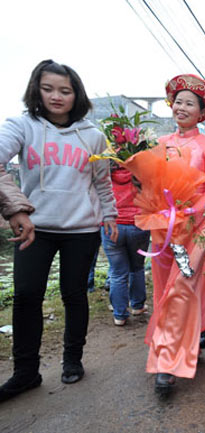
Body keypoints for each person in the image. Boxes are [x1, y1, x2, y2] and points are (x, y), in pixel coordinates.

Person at [0, 60, 118, 402]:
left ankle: (72, 360)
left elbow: (102, 182)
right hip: (35, 227)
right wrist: (16, 208)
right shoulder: (22, 126)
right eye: (48, 88)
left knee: (74, 294)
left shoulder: (93, 135)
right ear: (36, 90)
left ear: (76, 95)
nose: (56, 96)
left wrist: (109, 214)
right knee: (25, 296)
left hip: (81, 229)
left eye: (65, 91)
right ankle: (25, 372)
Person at [146, 74, 205, 396]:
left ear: (201, 111)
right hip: (163, 229)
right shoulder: (161, 144)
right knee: (164, 288)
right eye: (178, 101)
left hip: (195, 228)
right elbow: (150, 182)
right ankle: (184, 342)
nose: (181, 107)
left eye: (189, 103)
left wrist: (191, 211)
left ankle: (166, 364)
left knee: (182, 285)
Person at [102, 163, 151, 326]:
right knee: (136, 267)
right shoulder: (141, 169)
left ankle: (119, 315)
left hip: (112, 226)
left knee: (117, 272)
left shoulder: (105, 173)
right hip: (138, 225)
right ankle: (137, 305)